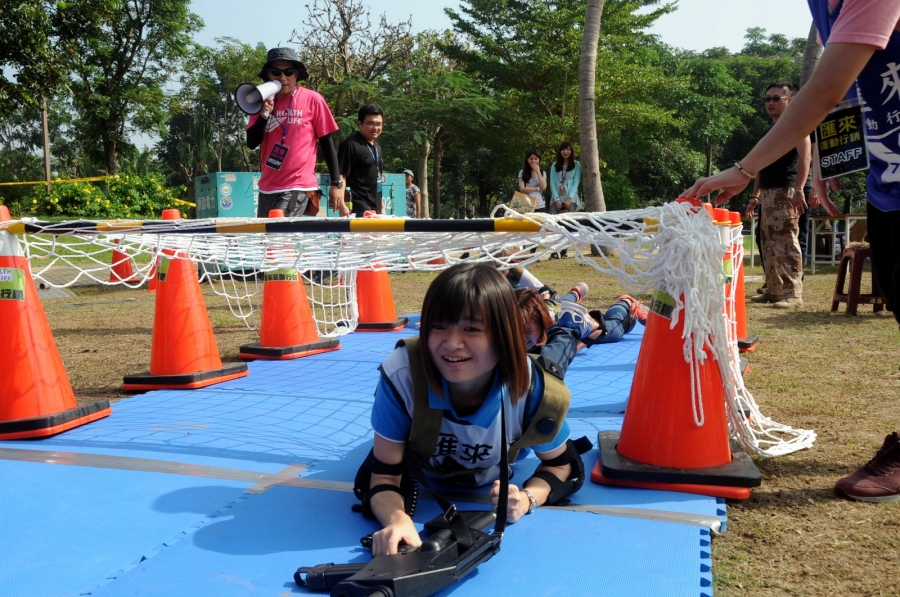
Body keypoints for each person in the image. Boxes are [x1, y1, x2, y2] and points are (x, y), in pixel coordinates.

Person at [683, 0, 900, 503]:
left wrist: (744, 169)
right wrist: (827, 166)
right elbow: (850, 87)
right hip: (888, 180)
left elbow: (824, 90)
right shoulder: (822, 5)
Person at [353, 263, 589, 555]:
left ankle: (579, 321)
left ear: (504, 336)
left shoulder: (533, 391)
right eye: (439, 325)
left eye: (471, 329)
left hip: (524, 379)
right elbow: (384, 476)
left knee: (562, 344)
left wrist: (528, 498)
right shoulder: (403, 375)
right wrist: (397, 518)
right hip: (421, 462)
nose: (452, 344)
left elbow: (562, 465)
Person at [719, 81, 810, 309]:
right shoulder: (771, 129)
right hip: (768, 193)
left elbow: (806, 157)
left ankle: (793, 293)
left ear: (790, 101)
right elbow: (759, 165)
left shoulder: (797, 124)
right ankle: (774, 290)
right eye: (767, 99)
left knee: (786, 242)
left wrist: (800, 189)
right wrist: (755, 196)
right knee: (768, 242)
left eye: (776, 98)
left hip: (785, 190)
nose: (770, 102)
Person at [245, 48, 347, 218]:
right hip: (267, 187)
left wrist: (336, 183)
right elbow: (251, 143)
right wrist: (263, 115)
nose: (282, 77)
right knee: (268, 233)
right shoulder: (260, 100)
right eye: (276, 72)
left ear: (296, 74)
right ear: (269, 74)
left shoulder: (313, 99)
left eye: (288, 72)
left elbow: (327, 143)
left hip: (298, 185)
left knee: (279, 230)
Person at [517, 285, 647, 355]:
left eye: (527, 331)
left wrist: (574, 348)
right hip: (550, 305)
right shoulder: (514, 326)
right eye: (515, 331)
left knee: (616, 330)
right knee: (558, 302)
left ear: (541, 325)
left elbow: (599, 328)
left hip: (564, 315)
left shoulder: (563, 327)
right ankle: (576, 292)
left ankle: (626, 303)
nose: (521, 338)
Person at [336, 104, 386, 217]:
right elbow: (341, 176)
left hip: (376, 207)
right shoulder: (350, 145)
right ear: (360, 123)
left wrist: (382, 206)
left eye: (379, 124)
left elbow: (375, 179)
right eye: (371, 123)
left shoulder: (377, 148)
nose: (375, 128)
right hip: (357, 207)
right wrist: (342, 205)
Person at [548, 142, 582, 258]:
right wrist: (557, 199)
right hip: (556, 198)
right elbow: (552, 183)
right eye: (563, 150)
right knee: (553, 224)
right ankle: (553, 252)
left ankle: (564, 251)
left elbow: (576, 182)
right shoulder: (554, 165)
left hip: (571, 198)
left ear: (571, 151)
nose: (565, 152)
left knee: (567, 225)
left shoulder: (576, 165)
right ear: (560, 151)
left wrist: (569, 199)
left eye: (568, 150)